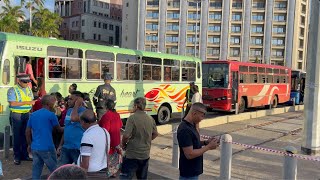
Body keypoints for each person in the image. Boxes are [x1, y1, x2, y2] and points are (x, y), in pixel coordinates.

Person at [177, 103, 220, 180]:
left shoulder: (192, 125)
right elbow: (189, 154)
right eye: (202, 115)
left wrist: (206, 142)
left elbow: (193, 144)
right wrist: (208, 147)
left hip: (193, 172)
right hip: (188, 174)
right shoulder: (185, 130)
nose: (202, 118)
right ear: (194, 113)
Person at [25, 95, 64, 179]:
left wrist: (29, 144)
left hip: (35, 147)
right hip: (47, 147)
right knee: (55, 170)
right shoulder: (51, 115)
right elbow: (58, 129)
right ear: (48, 103)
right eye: (54, 102)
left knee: (36, 170)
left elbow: (27, 131)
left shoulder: (33, 115)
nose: (55, 104)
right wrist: (68, 127)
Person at [120, 97, 158, 180]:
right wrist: (147, 140)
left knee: (125, 177)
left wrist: (123, 144)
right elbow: (155, 133)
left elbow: (126, 136)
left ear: (136, 106)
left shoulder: (132, 118)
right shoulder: (150, 119)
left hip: (132, 155)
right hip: (145, 155)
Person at [7, 74, 36, 165]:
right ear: (18, 81)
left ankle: (24, 155)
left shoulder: (28, 89)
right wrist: (28, 102)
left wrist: (31, 111)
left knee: (25, 135)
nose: (27, 83)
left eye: (28, 82)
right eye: (25, 82)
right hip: (17, 115)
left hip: (27, 114)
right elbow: (12, 104)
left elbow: (31, 101)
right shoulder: (12, 90)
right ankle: (17, 156)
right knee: (17, 136)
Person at [58, 91, 86, 166]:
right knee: (60, 171)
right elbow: (66, 128)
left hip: (78, 148)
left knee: (78, 172)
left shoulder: (85, 112)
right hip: (66, 147)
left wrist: (77, 105)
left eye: (71, 99)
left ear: (78, 100)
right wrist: (60, 145)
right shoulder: (69, 111)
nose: (68, 101)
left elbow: (74, 118)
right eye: (69, 99)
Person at [78, 109, 110, 177]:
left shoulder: (88, 136)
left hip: (91, 174)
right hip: (103, 172)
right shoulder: (104, 131)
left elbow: (85, 164)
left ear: (83, 122)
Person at [99, 99, 123, 177]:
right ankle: (114, 173)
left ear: (106, 106)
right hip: (117, 140)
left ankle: (108, 174)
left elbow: (104, 130)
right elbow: (120, 125)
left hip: (110, 141)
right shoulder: (117, 114)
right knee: (115, 158)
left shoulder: (106, 116)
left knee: (108, 158)